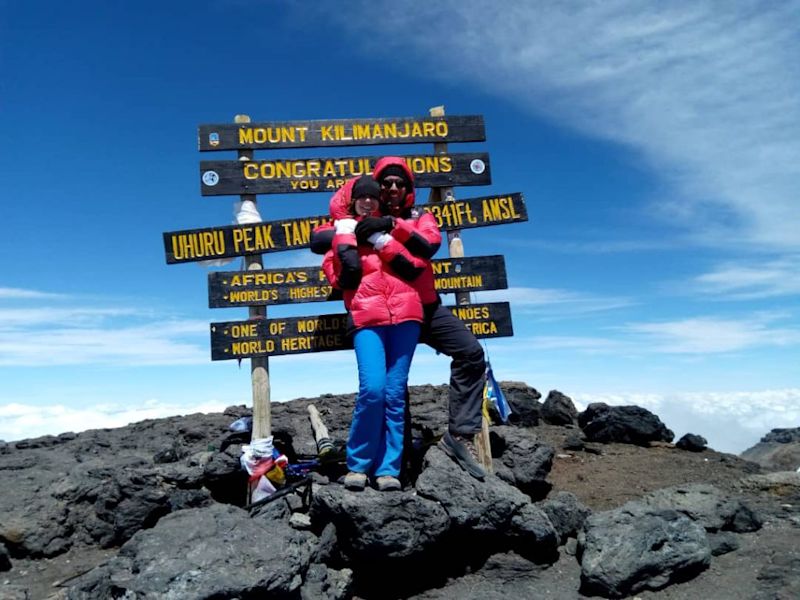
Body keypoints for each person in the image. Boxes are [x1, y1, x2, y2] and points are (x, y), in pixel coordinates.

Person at [312, 157, 487, 480]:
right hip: (378, 312)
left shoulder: (419, 216)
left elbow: (430, 244)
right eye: (386, 183)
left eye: (400, 183)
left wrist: (392, 227)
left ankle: (459, 436)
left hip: (424, 309)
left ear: (408, 189)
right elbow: (323, 238)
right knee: (385, 389)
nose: (393, 188)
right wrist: (354, 233)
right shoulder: (360, 217)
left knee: (471, 353)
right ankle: (393, 465)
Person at [323, 175, 429, 492]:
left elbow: (416, 264)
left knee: (395, 395)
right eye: (362, 197)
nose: (368, 201)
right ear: (353, 201)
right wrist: (347, 244)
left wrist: (384, 241)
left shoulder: (390, 232)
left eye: (373, 197)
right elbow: (338, 278)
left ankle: (388, 470)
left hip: (406, 316)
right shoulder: (340, 238)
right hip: (366, 319)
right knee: (373, 389)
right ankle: (358, 465)